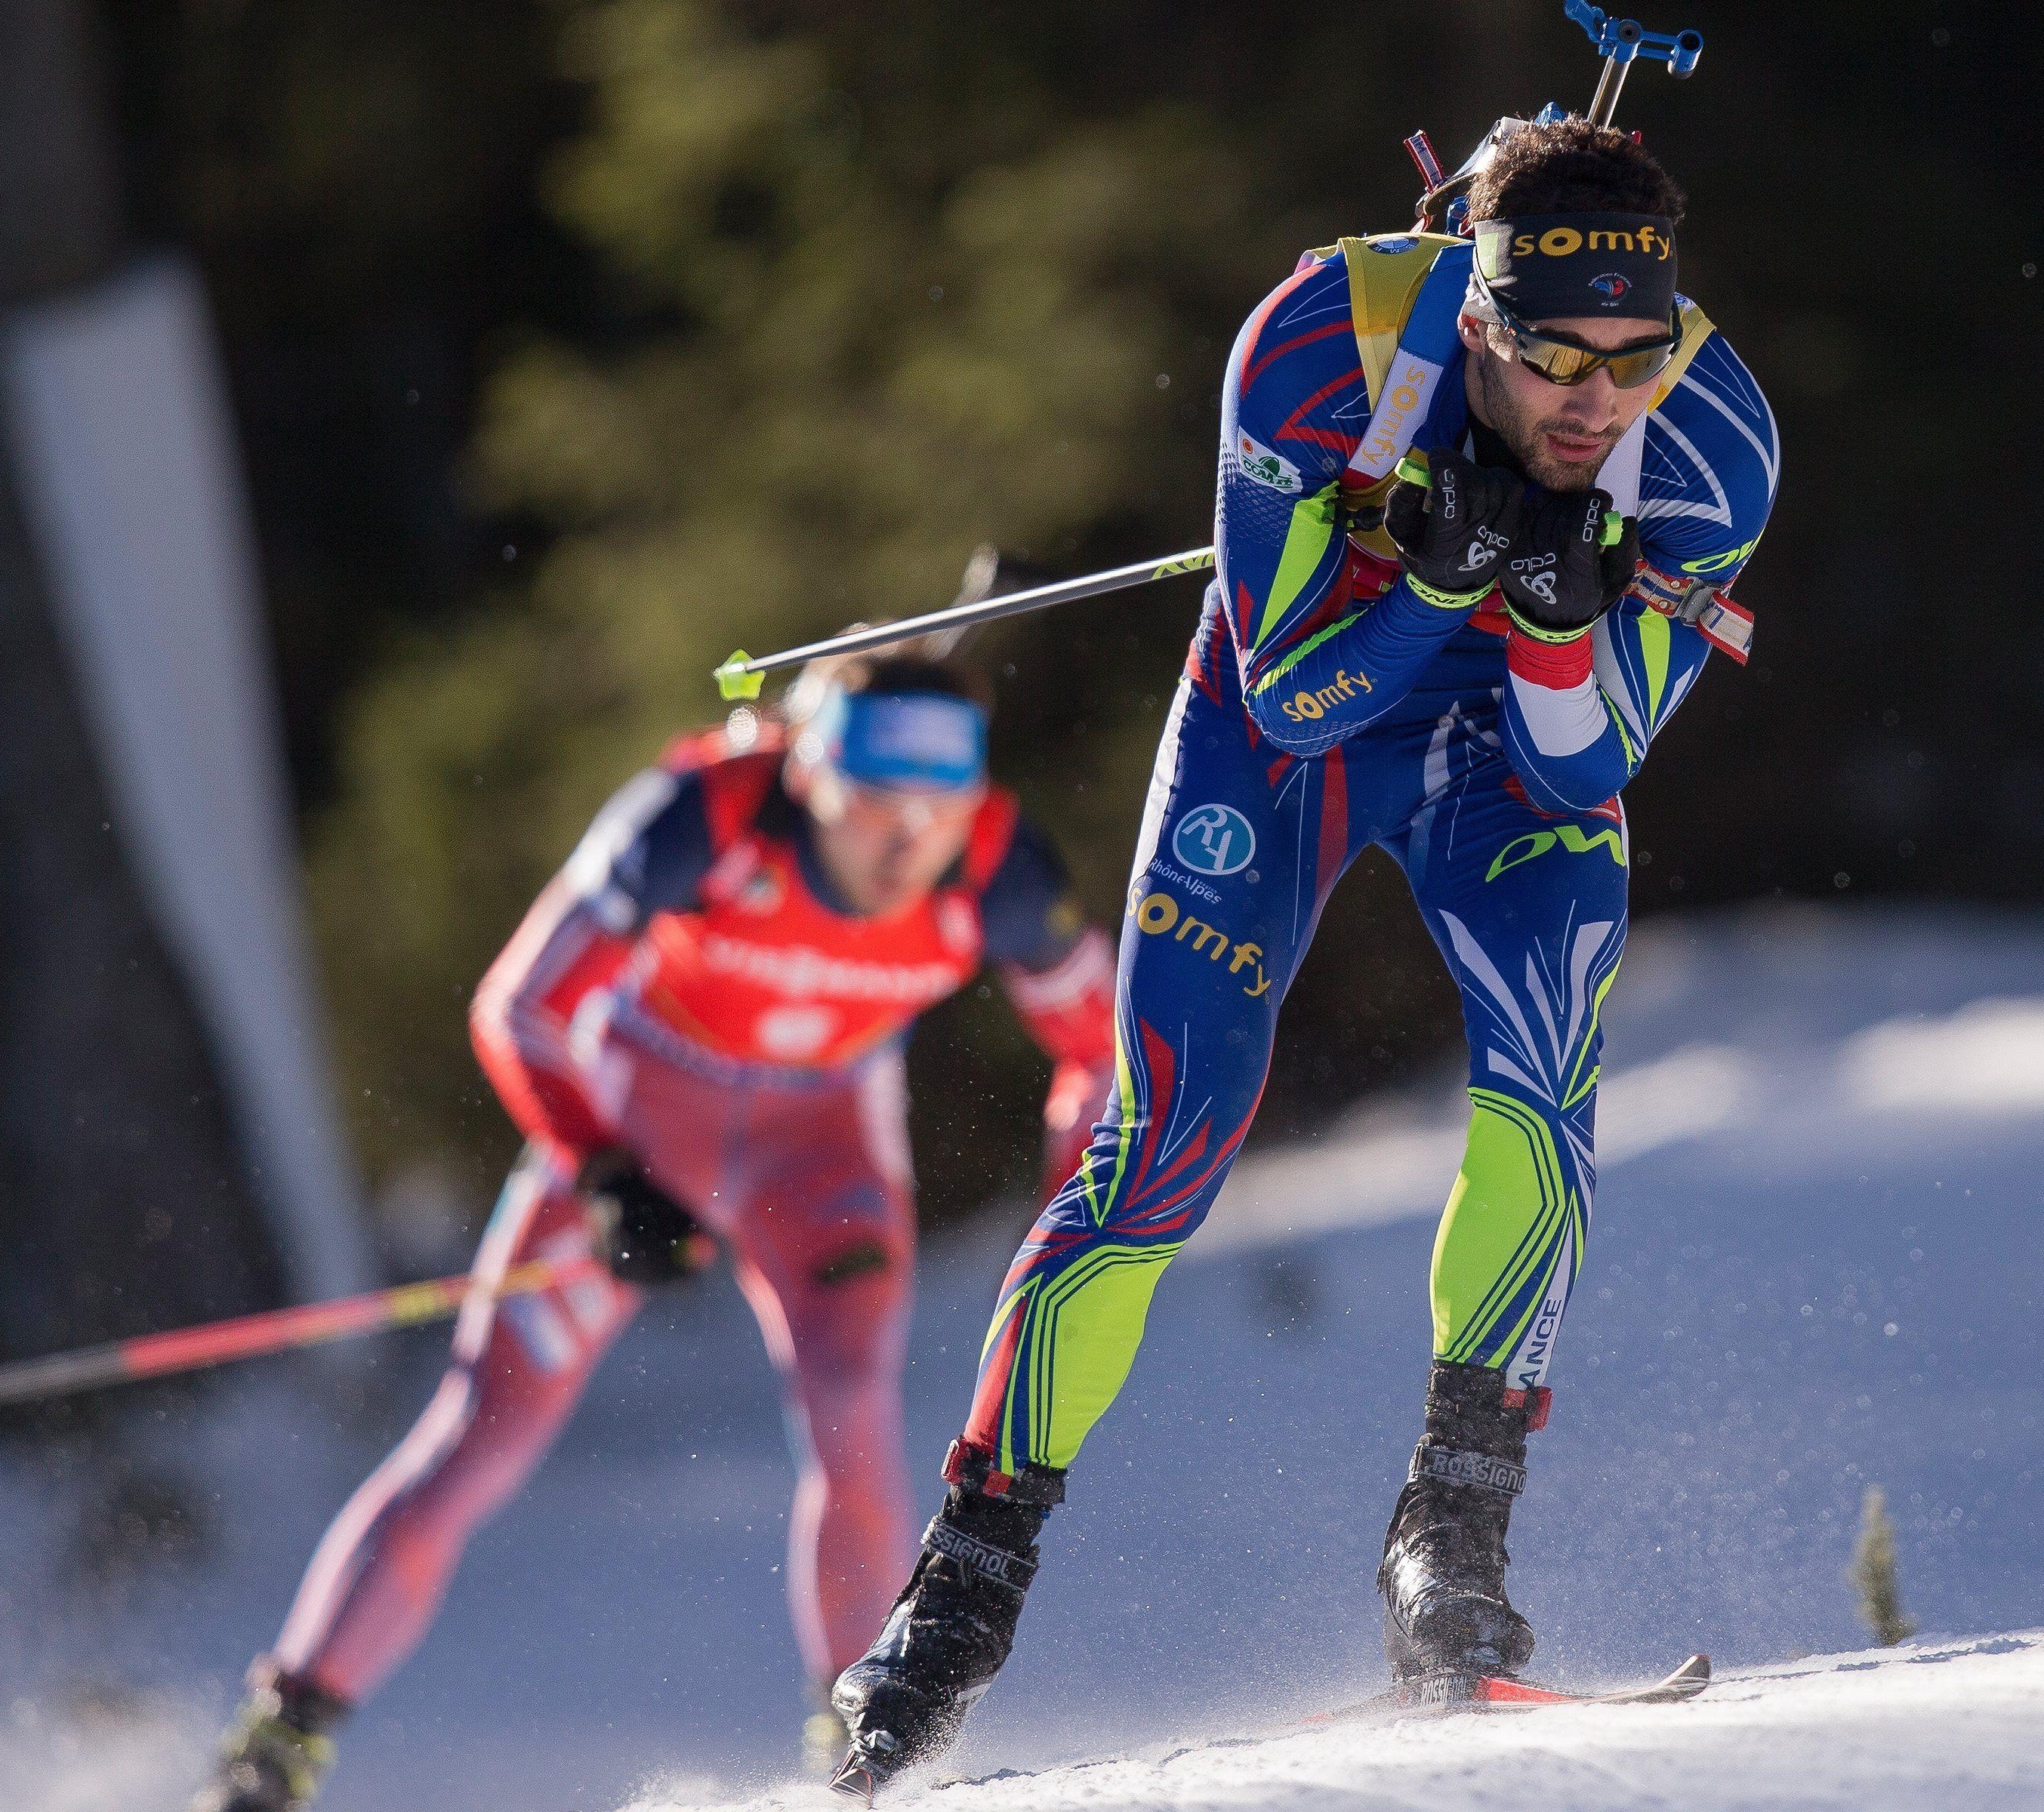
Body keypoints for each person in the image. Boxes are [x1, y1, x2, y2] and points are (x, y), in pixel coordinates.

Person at [829, 116, 1780, 1791]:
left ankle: (1453, 1547)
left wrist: (1552, 622)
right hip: (1294, 728)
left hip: (1510, 746)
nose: (1597, 398)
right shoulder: (1318, 347)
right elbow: (1291, 692)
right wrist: (1431, 581)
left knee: (1545, 1088)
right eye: (1556, 350)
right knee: (1164, 1144)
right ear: (1475, 314)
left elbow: (1582, 771)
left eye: (1635, 354)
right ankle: (957, 1605)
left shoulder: (1712, 446)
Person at [193, 654, 1116, 1812]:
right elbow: (519, 1004)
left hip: (820, 1151)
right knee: (479, 1429)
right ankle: (276, 1746)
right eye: (878, 799)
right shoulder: (711, 816)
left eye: (941, 804)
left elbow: (1101, 1048)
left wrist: (1065, 1214)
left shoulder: (996, 868)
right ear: (812, 771)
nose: (908, 838)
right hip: (640, 1117)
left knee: (854, 1416)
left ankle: (866, 1752)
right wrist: (602, 1173)